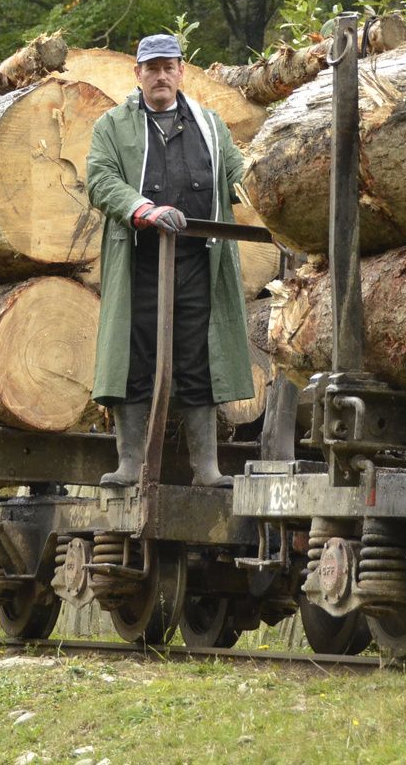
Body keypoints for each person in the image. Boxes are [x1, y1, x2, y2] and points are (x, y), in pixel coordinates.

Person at [85, 33, 256, 488]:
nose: (160, 76)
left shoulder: (210, 124)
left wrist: (266, 181)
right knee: (135, 355)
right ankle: (131, 465)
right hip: (140, 261)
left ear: (182, 71)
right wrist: (144, 210)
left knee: (200, 354)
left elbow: (238, 174)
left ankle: (207, 469)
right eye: (151, 68)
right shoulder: (113, 126)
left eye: (168, 67)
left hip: (201, 261)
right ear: (137, 74)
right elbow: (100, 180)